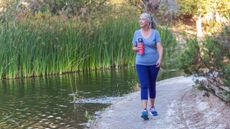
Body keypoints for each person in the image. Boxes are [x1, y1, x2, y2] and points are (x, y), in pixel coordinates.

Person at [132, 13, 163, 120]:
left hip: (154, 63)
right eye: (139, 19)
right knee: (144, 84)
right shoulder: (136, 33)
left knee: (152, 84)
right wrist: (138, 48)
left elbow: (159, 47)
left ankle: (152, 107)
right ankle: (144, 110)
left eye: (143, 19)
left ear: (148, 22)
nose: (140, 21)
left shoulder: (155, 33)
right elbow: (133, 48)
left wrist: (159, 59)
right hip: (140, 63)